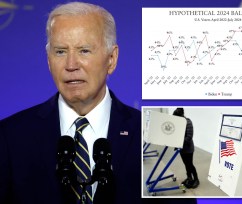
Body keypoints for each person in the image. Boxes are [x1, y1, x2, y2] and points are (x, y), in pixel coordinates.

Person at [0, 2, 196, 204]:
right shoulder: (9, 136)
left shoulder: (149, 134)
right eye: (60, 51)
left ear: (111, 59)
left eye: (84, 50)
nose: (71, 65)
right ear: (49, 60)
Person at [173, 108, 200, 189]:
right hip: (181, 148)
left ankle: (196, 179)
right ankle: (189, 178)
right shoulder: (179, 123)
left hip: (188, 148)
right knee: (186, 164)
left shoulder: (188, 122)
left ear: (181, 115)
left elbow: (189, 137)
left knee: (190, 164)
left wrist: (179, 142)